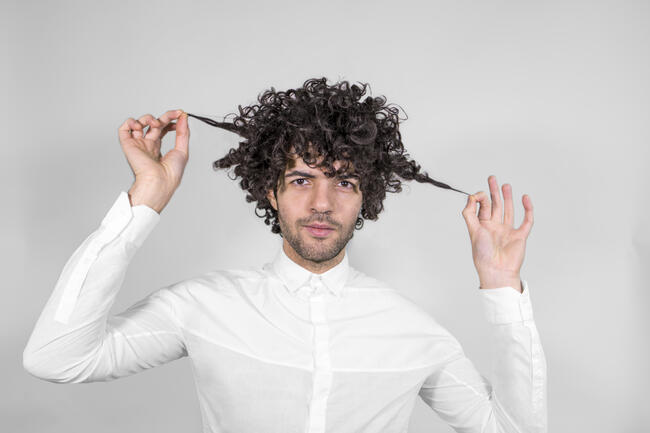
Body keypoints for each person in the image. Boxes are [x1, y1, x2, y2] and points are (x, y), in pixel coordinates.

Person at [23, 77, 547, 433]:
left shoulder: (415, 331)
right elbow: (57, 359)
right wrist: (145, 201)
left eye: (344, 181)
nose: (322, 203)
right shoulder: (202, 306)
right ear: (270, 192)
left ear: (367, 197)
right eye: (301, 179)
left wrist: (502, 287)